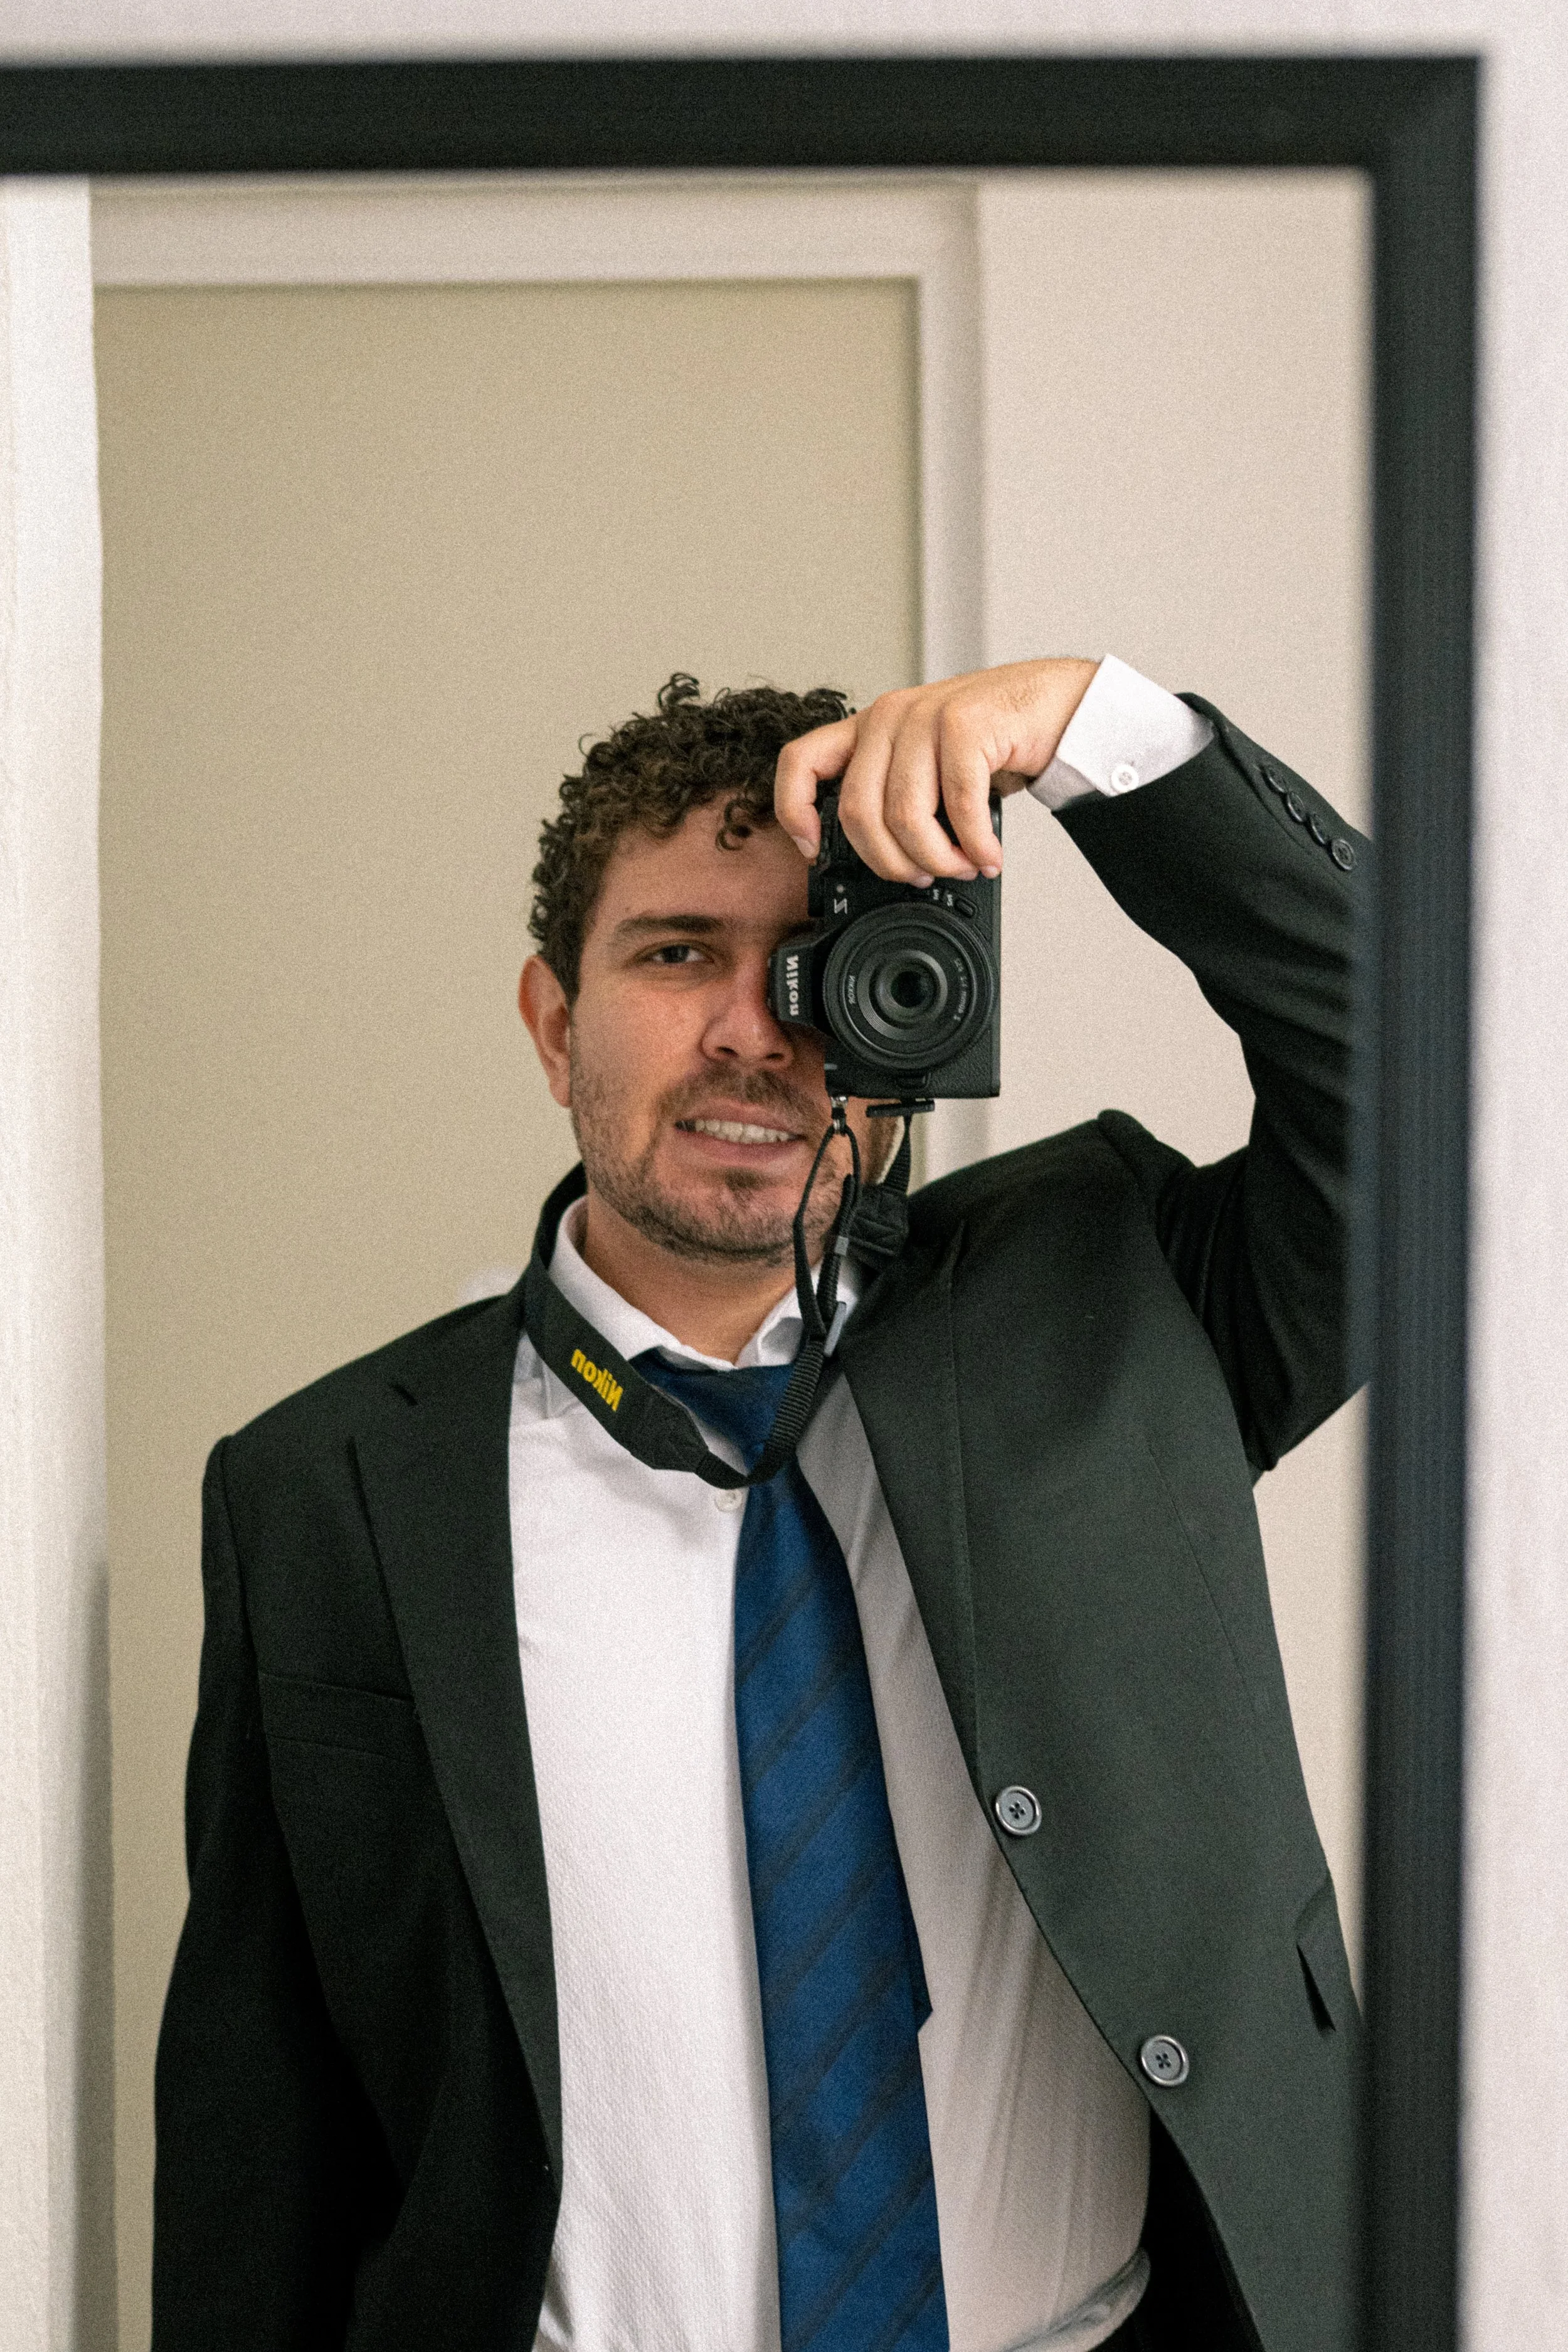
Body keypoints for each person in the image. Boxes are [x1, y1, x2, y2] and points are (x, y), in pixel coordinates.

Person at [152, 653, 1367, 2352]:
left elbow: (1434, 1097)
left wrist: (1102, 729)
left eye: (822, 960)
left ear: (920, 1008)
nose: (755, 1024)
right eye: (676, 953)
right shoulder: (325, 1492)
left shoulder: (1111, 1305)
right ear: (552, 1014)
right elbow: (257, 2126)